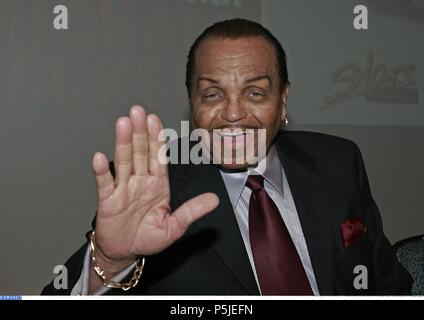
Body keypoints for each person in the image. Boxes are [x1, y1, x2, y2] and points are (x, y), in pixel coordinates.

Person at [42, 19, 412, 295]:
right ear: (192, 105)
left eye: (255, 93)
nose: (233, 114)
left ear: (283, 102)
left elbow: (389, 286)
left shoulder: (338, 162)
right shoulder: (150, 188)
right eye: (213, 95)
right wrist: (109, 261)